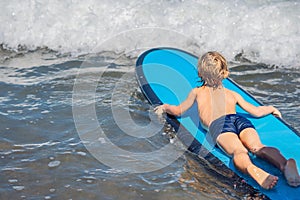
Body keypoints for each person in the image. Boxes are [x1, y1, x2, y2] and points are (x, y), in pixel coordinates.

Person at [154, 51, 300, 189]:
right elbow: (256, 112)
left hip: (219, 124)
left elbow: (178, 110)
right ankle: (284, 164)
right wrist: (271, 108)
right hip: (239, 120)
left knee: (238, 151)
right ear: (225, 73)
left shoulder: (197, 92)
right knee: (257, 147)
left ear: (200, 74)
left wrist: (165, 107)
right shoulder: (232, 94)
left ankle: (254, 171)